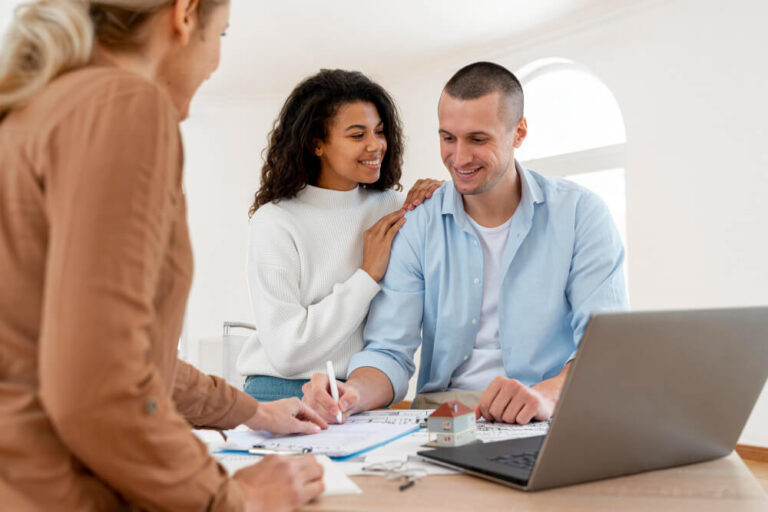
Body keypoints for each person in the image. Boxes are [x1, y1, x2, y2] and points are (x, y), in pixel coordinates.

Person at [0, 1, 328, 510]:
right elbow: (100, 386)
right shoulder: (123, 104)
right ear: (185, 14)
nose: (216, 59)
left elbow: (115, 354)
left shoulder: (33, 112)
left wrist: (254, 412)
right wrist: (232, 498)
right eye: (222, 34)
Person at [302, 61, 629, 425]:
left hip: (547, 405)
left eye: (478, 139)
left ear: (519, 133)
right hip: (444, 413)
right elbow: (389, 351)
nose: (459, 158)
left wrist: (546, 396)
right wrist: (351, 394)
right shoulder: (418, 225)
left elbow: (605, 347)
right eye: (448, 138)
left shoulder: (580, 214)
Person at [238, 69, 442, 402]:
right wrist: (367, 276)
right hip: (281, 390)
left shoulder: (395, 208)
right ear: (316, 143)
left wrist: (440, 197)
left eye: (379, 131)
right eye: (357, 135)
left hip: (365, 390)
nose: (375, 145)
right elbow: (287, 352)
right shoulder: (276, 221)